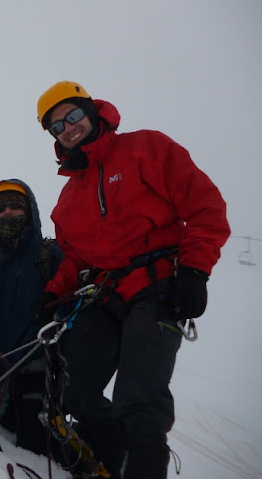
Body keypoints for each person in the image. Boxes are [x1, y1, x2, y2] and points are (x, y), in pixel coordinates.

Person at [35, 81, 231, 478]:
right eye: (57, 126)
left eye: (72, 116)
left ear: (90, 112)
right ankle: (112, 459)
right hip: (105, 295)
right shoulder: (67, 200)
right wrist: (54, 293)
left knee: (139, 400)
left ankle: (142, 462)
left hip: (157, 287)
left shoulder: (146, 148)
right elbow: (74, 258)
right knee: (77, 391)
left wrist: (194, 269)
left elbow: (205, 203)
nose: (68, 129)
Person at [0, 179, 63, 455]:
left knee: (36, 445)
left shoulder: (50, 256)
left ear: (30, 211)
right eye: (0, 208)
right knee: (2, 435)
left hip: (41, 378)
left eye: (15, 207)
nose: (7, 212)